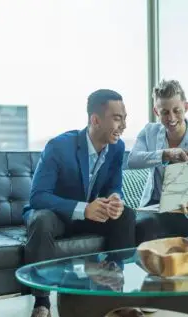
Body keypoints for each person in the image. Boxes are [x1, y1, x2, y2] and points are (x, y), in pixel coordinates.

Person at [23, 89, 136, 317]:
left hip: (92, 215)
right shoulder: (58, 146)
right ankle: (42, 302)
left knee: (127, 215)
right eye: (117, 118)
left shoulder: (117, 147)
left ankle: (113, 289)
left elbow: (115, 185)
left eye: (125, 118)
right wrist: (84, 209)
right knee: (41, 220)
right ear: (95, 120)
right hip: (58, 216)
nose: (123, 125)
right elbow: (38, 197)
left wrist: (115, 199)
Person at [128, 79, 188, 244]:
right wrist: (166, 154)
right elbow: (133, 160)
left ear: (186, 107)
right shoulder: (149, 132)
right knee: (143, 225)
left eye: (177, 110)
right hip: (156, 207)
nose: (171, 118)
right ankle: (149, 268)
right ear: (156, 111)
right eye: (165, 112)